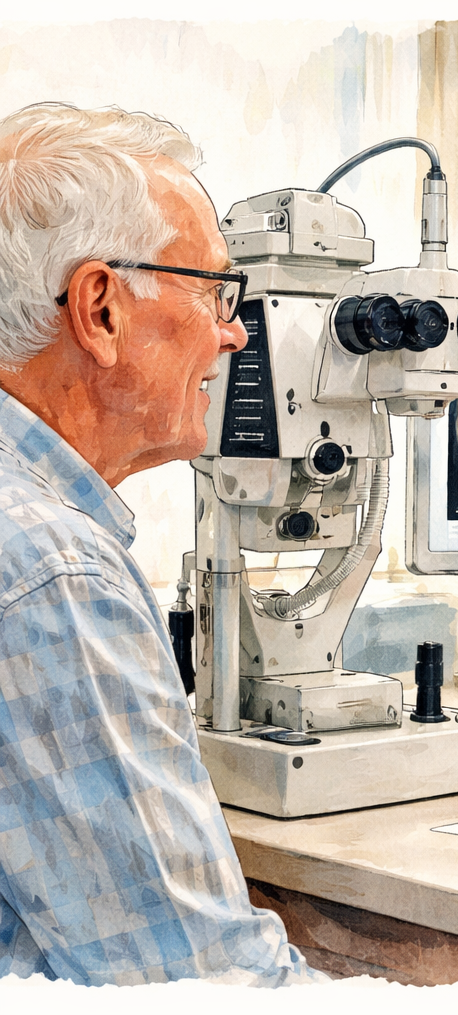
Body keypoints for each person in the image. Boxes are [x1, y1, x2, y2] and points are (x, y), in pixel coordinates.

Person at [0, 103, 327, 985]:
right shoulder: (50, 573)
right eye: (216, 292)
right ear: (100, 309)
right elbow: (196, 978)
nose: (234, 331)